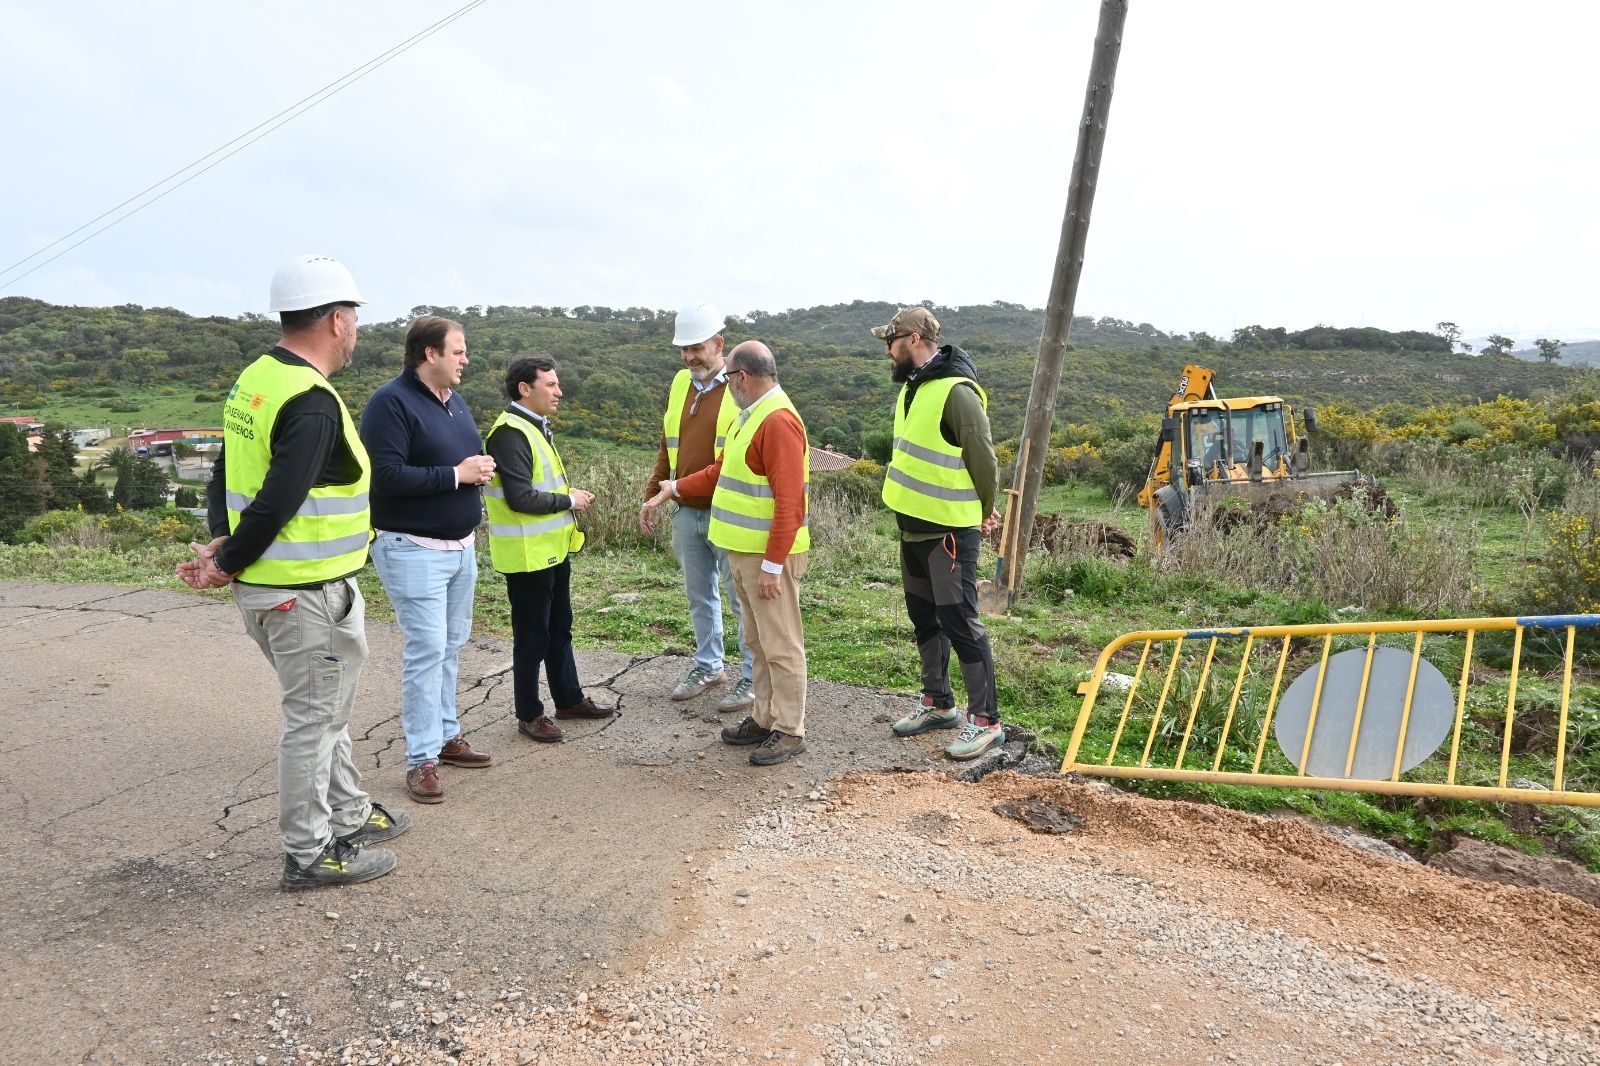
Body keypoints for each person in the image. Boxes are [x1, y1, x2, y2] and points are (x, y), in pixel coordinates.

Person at [178, 254, 408, 890]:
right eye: (354, 316)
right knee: (314, 720)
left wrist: (222, 543)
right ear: (335, 321)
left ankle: (350, 813)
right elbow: (278, 500)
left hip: (281, 590)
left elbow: (228, 471)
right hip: (304, 595)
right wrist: (225, 561)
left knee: (324, 709)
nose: (357, 329)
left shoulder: (258, 379)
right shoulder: (311, 402)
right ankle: (309, 853)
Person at [642, 341, 811, 766]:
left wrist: (773, 564)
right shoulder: (750, 416)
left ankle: (790, 729)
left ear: (743, 377)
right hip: (743, 552)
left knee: (781, 645)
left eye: (729, 377)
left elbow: (791, 504)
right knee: (758, 641)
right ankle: (765, 718)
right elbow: (721, 471)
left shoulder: (778, 421)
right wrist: (674, 488)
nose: (727, 384)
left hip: (766, 558)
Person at [359, 315, 496, 805]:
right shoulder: (390, 403)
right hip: (411, 547)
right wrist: (457, 475)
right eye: (458, 351)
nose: (465, 360)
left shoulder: (454, 401)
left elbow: (460, 461)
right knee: (427, 650)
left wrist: (478, 470)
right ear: (429, 354)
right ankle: (420, 759)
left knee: (451, 646)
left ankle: (446, 735)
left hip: (460, 548)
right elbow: (386, 476)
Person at [872, 307, 1006, 760]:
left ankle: (985, 721)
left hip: (948, 532)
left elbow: (983, 459)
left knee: (960, 622)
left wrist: (984, 510)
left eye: (890, 342)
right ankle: (938, 703)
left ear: (912, 340)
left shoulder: (956, 391)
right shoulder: (914, 388)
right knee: (924, 618)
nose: (887, 352)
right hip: (912, 528)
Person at [484, 355, 615, 741]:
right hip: (527, 556)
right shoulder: (510, 433)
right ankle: (529, 714)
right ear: (525, 388)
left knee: (559, 628)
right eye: (551, 384)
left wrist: (566, 497)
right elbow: (520, 498)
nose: (559, 391)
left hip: (551, 550)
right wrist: (569, 500)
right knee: (532, 637)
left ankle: (569, 699)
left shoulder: (533, 427)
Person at [640, 301, 755, 712]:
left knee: (740, 598)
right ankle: (709, 666)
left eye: (697, 348)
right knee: (699, 595)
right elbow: (667, 441)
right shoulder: (680, 383)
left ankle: (752, 675)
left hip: (728, 509)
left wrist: (673, 489)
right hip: (686, 509)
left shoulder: (741, 387)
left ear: (719, 344)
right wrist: (654, 491)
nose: (690, 357)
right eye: (684, 349)